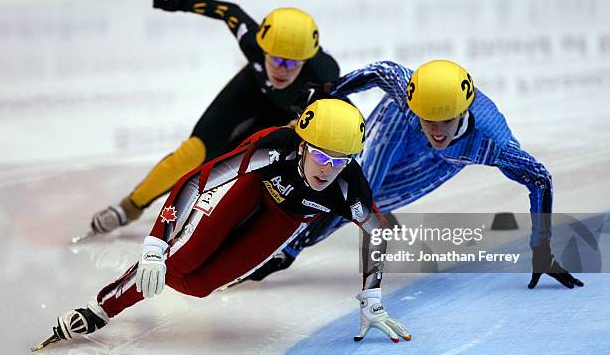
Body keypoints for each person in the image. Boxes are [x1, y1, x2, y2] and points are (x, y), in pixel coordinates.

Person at [34, 99, 410, 352]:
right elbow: (197, 180)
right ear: (302, 146)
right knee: (182, 257)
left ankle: (158, 271)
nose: (328, 168)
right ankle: (103, 307)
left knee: (198, 286)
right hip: (253, 184)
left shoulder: (348, 186)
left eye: (341, 159)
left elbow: (376, 232)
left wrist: (372, 297)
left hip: (286, 217)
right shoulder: (272, 148)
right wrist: (155, 244)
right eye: (321, 154)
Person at [250, 60, 583, 290]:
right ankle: (281, 230)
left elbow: (539, 178)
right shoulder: (407, 92)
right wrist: (330, 89)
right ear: (414, 101)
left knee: (365, 205)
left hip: (444, 161)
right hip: (398, 124)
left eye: (445, 121)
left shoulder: (494, 142)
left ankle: (287, 250)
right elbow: (380, 71)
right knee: (352, 189)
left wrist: (542, 248)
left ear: (463, 112)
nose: (436, 131)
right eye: (428, 118)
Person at [89, 0, 340, 235]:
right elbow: (230, 12)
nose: (282, 69)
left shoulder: (324, 74)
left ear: (307, 60)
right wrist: (180, 1)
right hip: (249, 91)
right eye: (275, 59)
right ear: (263, 49)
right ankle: (129, 207)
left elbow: (340, 115)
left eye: (292, 63)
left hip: (284, 115)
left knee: (247, 167)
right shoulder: (252, 44)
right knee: (193, 154)